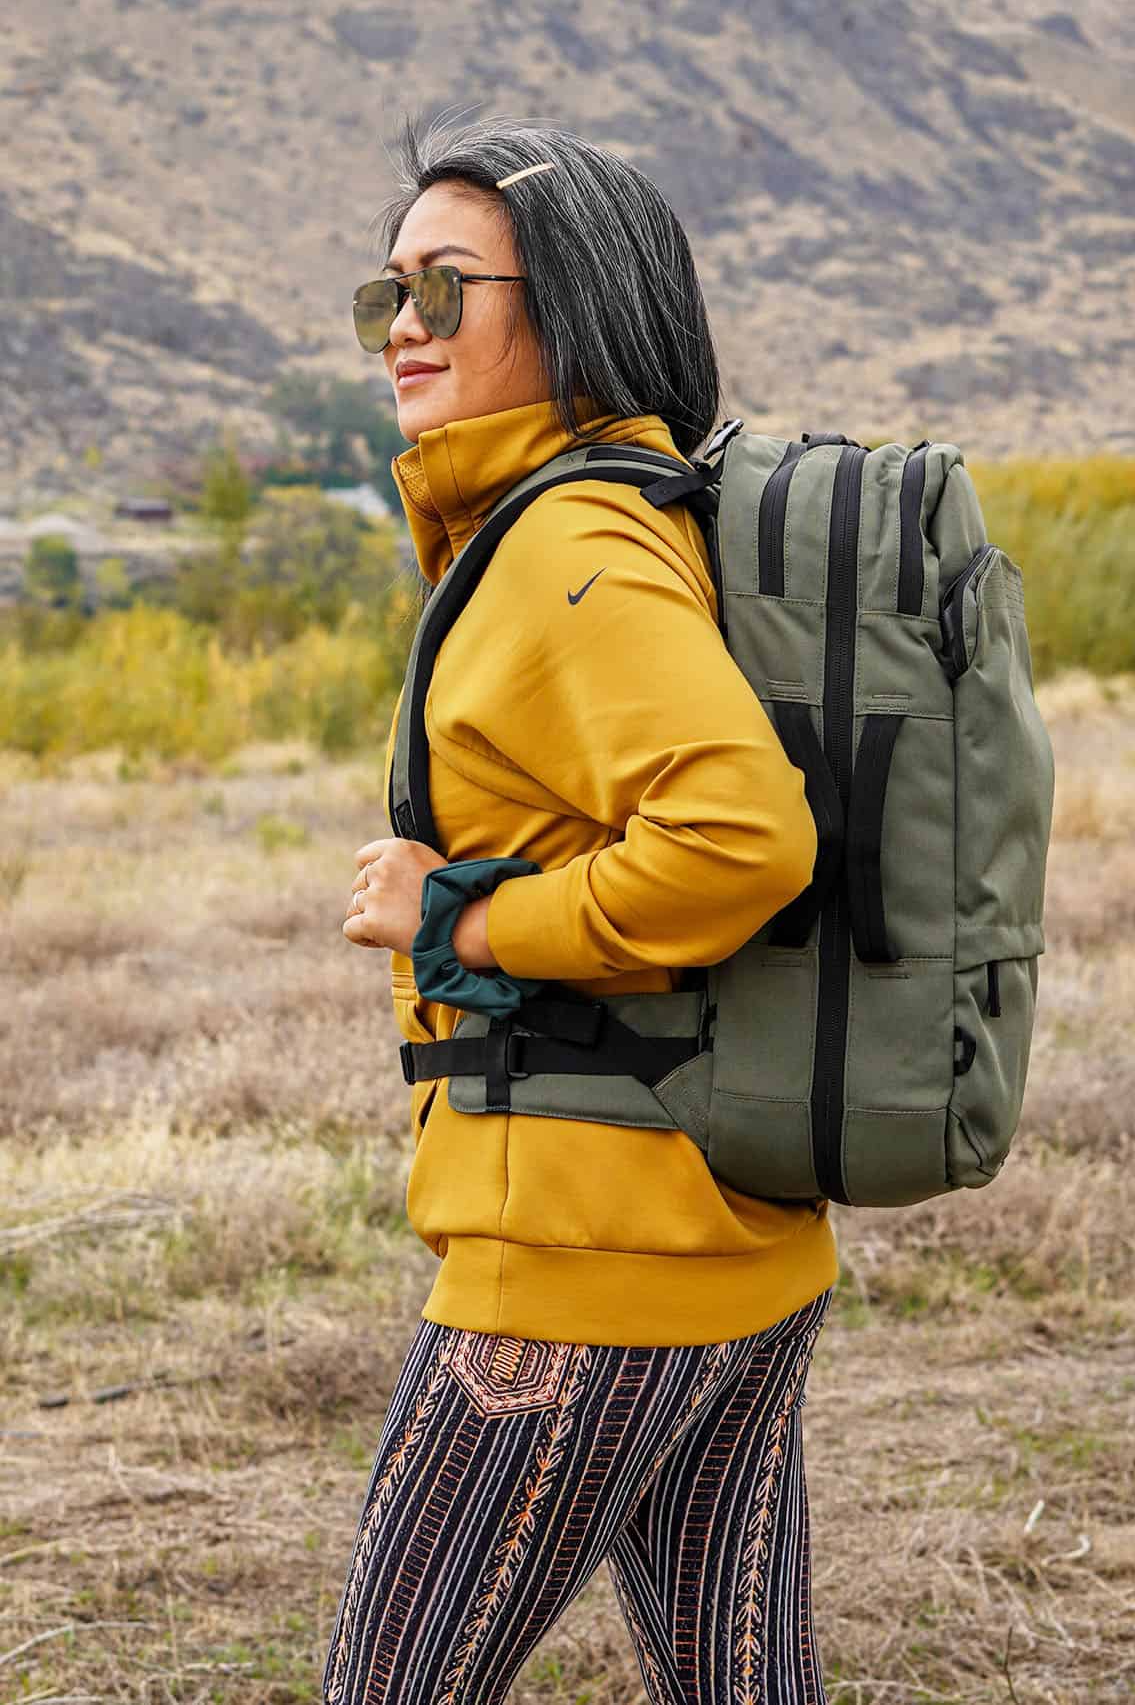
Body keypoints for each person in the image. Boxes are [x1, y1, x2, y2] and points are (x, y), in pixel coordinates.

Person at [326, 113, 840, 1705]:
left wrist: (467, 921)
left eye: (446, 288)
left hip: (574, 1268)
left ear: (571, 307)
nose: (403, 328)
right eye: (387, 293)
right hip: (722, 1239)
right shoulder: (598, 517)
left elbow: (742, 836)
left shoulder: (571, 543)